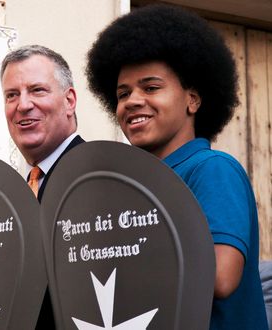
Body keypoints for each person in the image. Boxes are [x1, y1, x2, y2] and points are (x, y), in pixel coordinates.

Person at [85, 4, 268, 329]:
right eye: (122, 93)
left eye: (151, 87)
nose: (132, 101)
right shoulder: (136, 188)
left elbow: (221, 278)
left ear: (192, 99)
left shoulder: (213, 169)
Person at [0, 44, 84, 328]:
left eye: (37, 90)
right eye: (12, 95)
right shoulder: (19, 191)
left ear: (69, 100)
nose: (22, 105)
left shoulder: (97, 181)